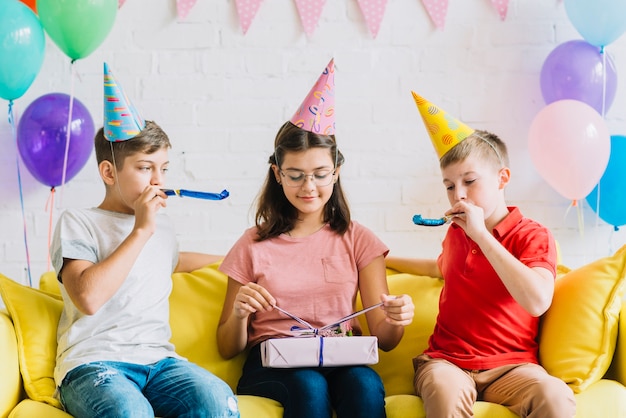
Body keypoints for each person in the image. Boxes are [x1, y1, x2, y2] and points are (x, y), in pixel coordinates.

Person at [216, 59, 415, 418]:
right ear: (277, 174)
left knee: (366, 386)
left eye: (320, 174)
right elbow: (227, 347)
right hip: (273, 363)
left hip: (342, 357)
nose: (308, 187)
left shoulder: (359, 240)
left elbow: (384, 340)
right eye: (295, 175)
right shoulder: (252, 243)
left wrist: (397, 319)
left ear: (336, 173)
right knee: (309, 385)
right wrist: (240, 313)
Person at [50, 63, 239, 418]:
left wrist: (239, 257)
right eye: (144, 168)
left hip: (160, 362)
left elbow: (175, 260)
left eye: (163, 168)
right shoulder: (79, 222)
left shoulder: (160, 228)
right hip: (94, 364)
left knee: (219, 401)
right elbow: (88, 297)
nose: (158, 180)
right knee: (130, 413)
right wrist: (140, 230)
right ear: (109, 172)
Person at [385, 92, 576, 417]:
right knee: (444, 395)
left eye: (469, 181)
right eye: (449, 185)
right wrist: (384, 256)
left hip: (513, 367)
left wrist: (482, 235)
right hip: (447, 362)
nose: (458, 194)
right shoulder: (456, 232)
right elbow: (441, 269)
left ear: (502, 179)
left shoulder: (533, 235)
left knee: (554, 395)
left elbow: (537, 300)